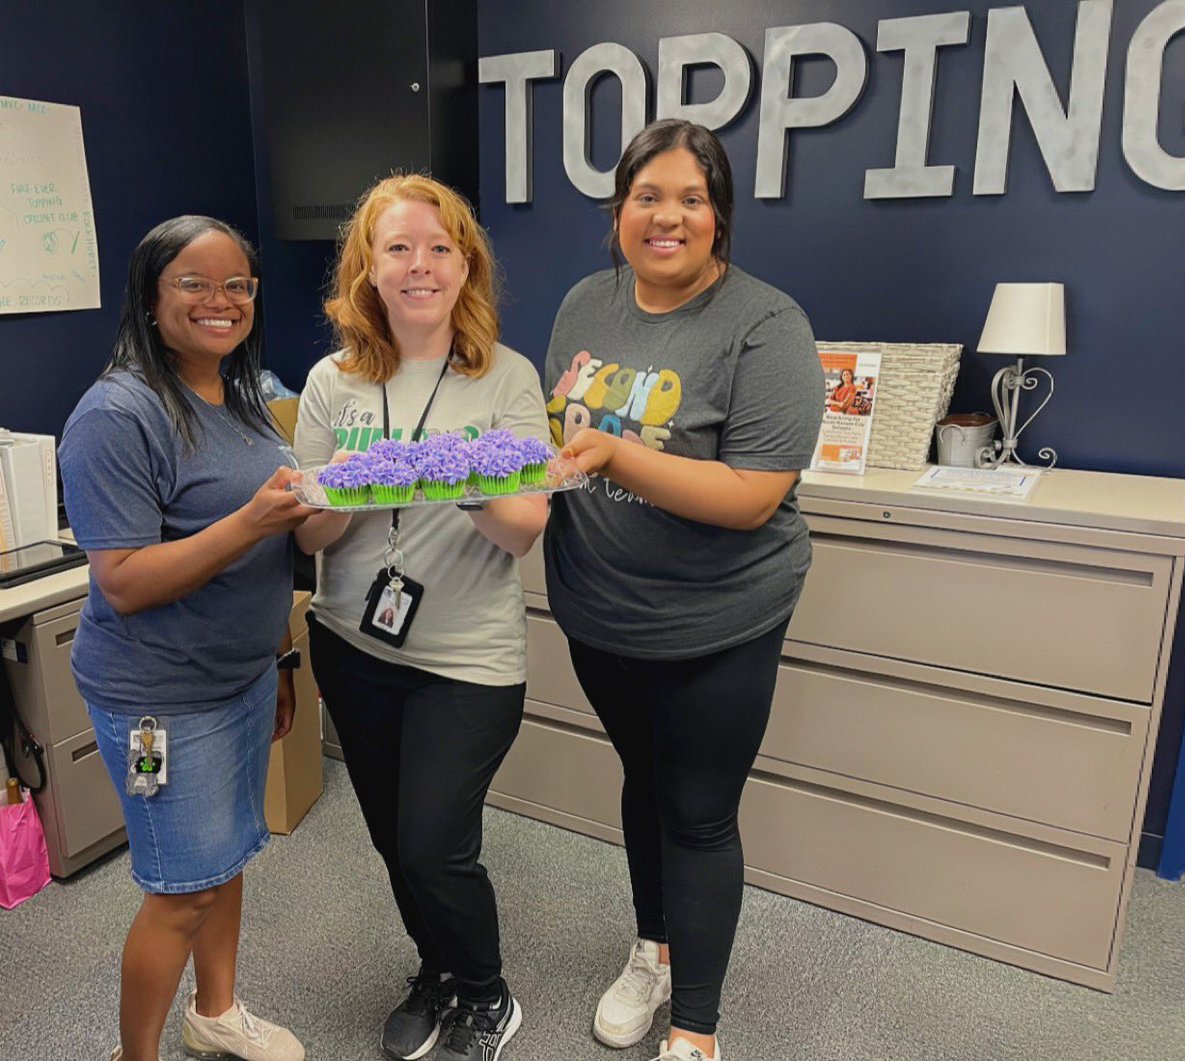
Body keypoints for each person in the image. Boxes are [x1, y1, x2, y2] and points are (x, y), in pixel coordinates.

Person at [542, 119, 824, 1061]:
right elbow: (562, 450)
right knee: (642, 782)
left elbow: (751, 497)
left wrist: (616, 449)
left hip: (718, 622)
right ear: (619, 210)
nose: (667, 216)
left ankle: (695, 1030)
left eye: (691, 199)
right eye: (646, 196)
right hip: (600, 610)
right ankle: (652, 948)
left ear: (720, 217)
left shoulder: (766, 325)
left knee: (698, 812)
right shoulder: (586, 302)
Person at [292, 174, 549, 1061]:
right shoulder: (333, 382)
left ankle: (487, 993)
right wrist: (361, 487)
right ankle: (436, 965)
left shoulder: (506, 376)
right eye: (398, 247)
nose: (420, 265)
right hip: (352, 641)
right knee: (394, 841)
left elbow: (525, 529)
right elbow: (312, 527)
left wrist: (453, 472)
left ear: (466, 263)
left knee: (436, 844)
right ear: (368, 266)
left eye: (440, 248)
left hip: (466, 658)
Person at [58, 216, 325, 1061]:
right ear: (150, 295)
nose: (222, 300)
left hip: (239, 680)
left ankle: (215, 1011)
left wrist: (279, 662)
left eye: (238, 285)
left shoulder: (236, 392)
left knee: (225, 859)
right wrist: (251, 521)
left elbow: (270, 556)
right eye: (195, 284)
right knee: (179, 888)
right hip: (158, 707)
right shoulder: (116, 414)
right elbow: (125, 581)